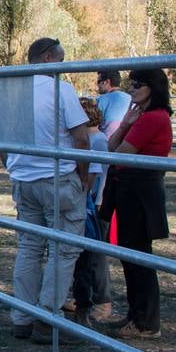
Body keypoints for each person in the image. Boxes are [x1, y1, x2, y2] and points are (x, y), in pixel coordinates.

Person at [6, 38, 90, 343]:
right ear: (47, 57)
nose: (63, 66)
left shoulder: (11, 89)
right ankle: (47, 318)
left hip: (24, 181)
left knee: (29, 246)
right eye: (61, 59)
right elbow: (81, 138)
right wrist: (83, 177)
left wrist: (17, 168)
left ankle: (22, 316)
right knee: (63, 249)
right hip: (57, 179)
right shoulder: (60, 89)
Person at [103, 67, 173, 339]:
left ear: (152, 88)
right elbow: (112, 148)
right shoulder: (142, 117)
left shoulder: (153, 118)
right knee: (130, 253)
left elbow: (120, 153)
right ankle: (137, 315)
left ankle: (146, 322)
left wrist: (128, 126)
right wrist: (125, 123)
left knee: (138, 256)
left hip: (139, 190)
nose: (131, 89)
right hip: (131, 189)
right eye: (131, 84)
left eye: (137, 85)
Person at [69, 97, 114, 325]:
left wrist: (93, 198)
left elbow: (99, 173)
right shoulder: (91, 138)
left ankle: (103, 300)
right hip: (89, 200)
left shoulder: (96, 140)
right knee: (83, 254)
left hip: (94, 203)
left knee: (95, 255)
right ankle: (81, 297)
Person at [95, 69, 132, 137]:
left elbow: (92, 127)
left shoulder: (100, 100)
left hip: (106, 144)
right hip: (126, 143)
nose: (97, 85)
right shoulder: (131, 99)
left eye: (98, 82)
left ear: (106, 82)